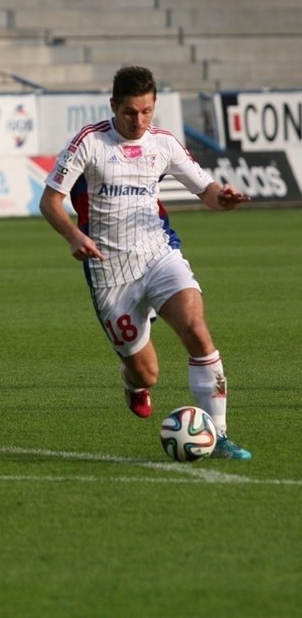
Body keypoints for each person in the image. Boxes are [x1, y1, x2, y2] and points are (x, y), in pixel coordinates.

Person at [39, 65, 251, 459]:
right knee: (147, 371)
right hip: (109, 270)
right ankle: (134, 383)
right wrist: (74, 236)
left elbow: (205, 189)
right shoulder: (89, 143)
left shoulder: (163, 144)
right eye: (130, 112)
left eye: (147, 111)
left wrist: (221, 197)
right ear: (113, 106)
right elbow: (49, 201)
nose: (139, 121)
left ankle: (218, 435)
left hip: (159, 254)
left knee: (197, 331)